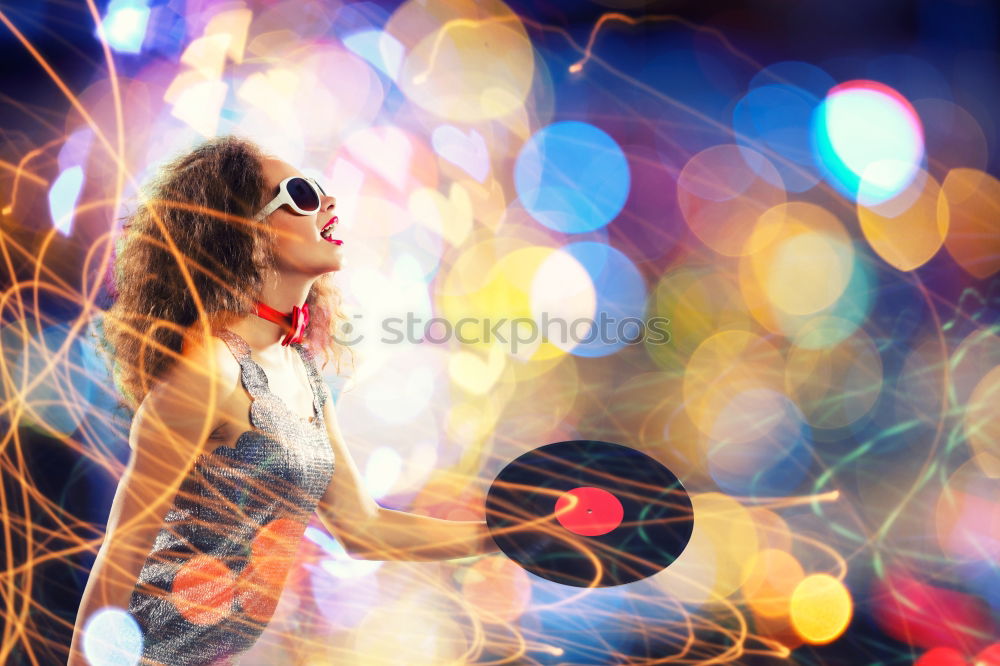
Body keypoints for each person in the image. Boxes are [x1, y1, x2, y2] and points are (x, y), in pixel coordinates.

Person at [68, 135, 501, 666]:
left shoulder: (301, 373)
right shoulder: (209, 370)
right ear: (244, 232)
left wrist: (510, 536)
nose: (329, 203)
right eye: (302, 194)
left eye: (324, 191)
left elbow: (362, 528)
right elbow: (120, 557)